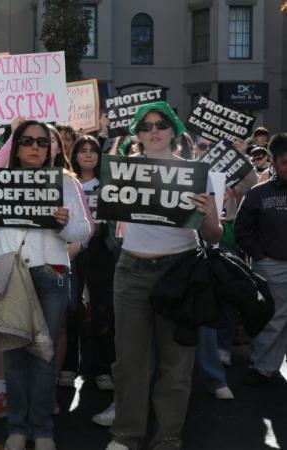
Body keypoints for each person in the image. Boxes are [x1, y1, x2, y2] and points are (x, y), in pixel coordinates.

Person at [106, 101, 222, 450]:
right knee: (129, 361)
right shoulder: (123, 170)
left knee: (176, 362)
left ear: (173, 129)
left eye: (160, 124)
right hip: (131, 272)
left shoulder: (197, 173)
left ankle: (168, 437)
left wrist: (205, 214)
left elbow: (215, 234)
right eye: (145, 126)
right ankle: (126, 435)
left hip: (180, 272)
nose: (153, 131)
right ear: (137, 135)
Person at [0, 120, 90, 450]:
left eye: (42, 141)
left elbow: (83, 232)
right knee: (15, 358)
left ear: (52, 148)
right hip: (10, 276)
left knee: (44, 357)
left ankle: (43, 429)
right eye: (27, 140)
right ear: (16, 146)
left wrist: (64, 226)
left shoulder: (66, 182)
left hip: (49, 276)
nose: (35, 146)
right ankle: (17, 428)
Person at [235, 133, 287, 386]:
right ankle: (263, 368)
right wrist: (261, 256)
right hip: (271, 265)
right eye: (286, 162)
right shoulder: (258, 193)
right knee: (274, 318)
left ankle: (268, 365)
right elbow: (242, 230)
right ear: (274, 162)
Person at [69, 135, 116, 391]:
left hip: (101, 253)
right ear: (74, 155)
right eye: (82, 150)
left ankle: (102, 368)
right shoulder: (67, 183)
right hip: (72, 251)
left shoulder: (109, 184)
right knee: (71, 308)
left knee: (102, 309)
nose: (88, 155)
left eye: (93, 151)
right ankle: (69, 367)